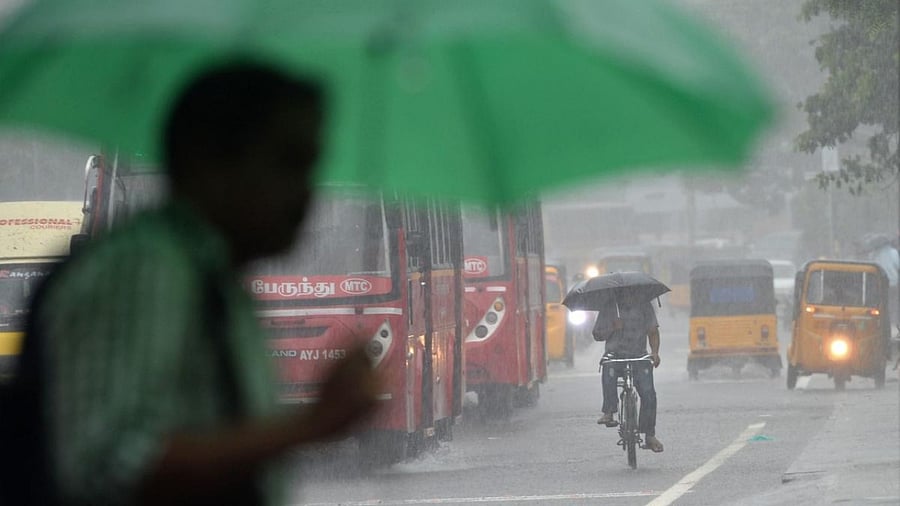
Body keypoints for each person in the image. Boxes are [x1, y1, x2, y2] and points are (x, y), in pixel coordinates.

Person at [33, 63, 379, 505]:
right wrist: (309, 425)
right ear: (210, 163)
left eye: (310, 167)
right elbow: (111, 468)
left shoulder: (215, 279)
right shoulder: (145, 268)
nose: (306, 193)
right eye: (288, 164)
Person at [593, 293, 664, 453]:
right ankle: (609, 412)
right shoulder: (609, 307)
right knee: (608, 369)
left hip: (639, 356)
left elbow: (653, 331)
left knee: (649, 394)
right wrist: (612, 327)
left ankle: (649, 435)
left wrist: (655, 352)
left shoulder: (645, 305)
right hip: (615, 356)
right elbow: (597, 334)